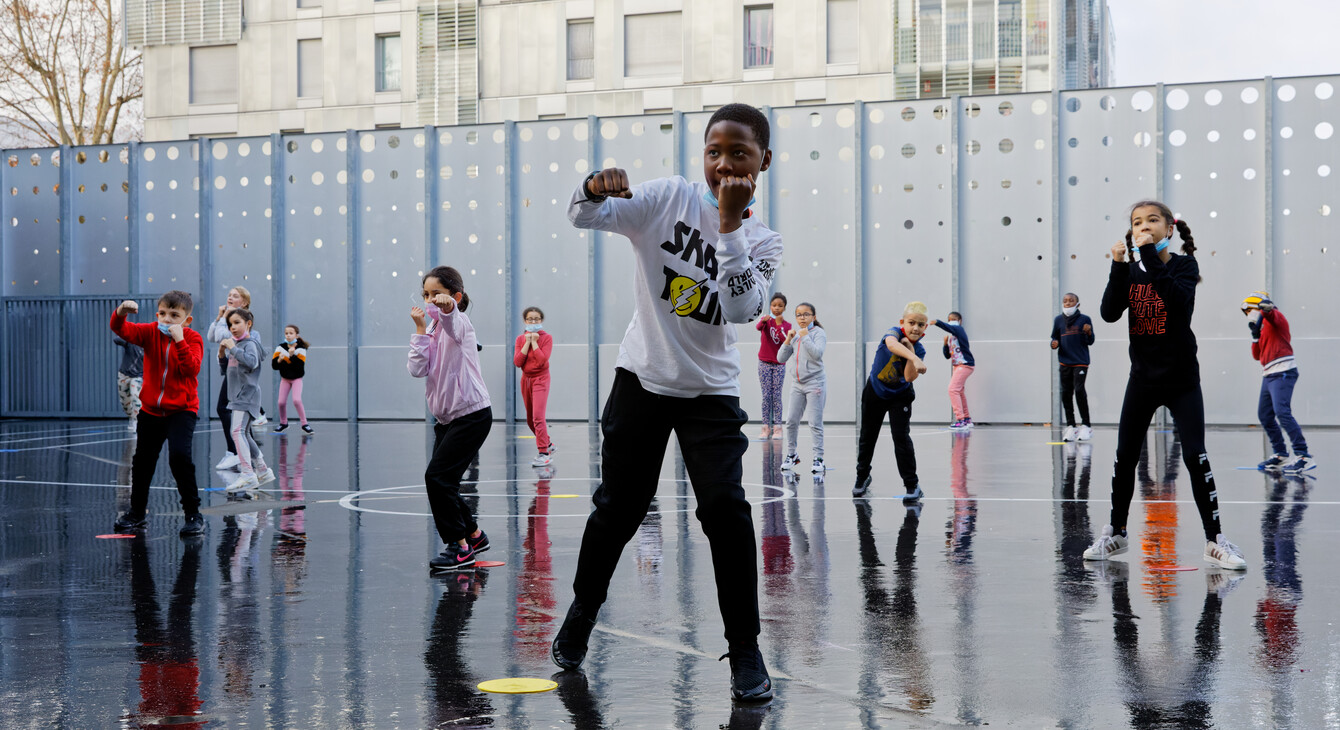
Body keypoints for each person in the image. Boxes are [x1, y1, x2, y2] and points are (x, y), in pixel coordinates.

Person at [553, 102, 781, 702]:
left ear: (764, 161)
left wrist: (729, 229)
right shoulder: (667, 198)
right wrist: (593, 185)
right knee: (619, 509)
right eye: (714, 151)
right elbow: (583, 215)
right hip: (643, 378)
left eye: (739, 152)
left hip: (710, 392)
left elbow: (738, 310)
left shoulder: (763, 241)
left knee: (727, 514)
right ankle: (582, 610)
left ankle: (745, 648)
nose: (723, 163)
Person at [1084, 200, 1247, 570]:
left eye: (1152, 221)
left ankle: (1215, 539)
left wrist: (1145, 255)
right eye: (1137, 222)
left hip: (1181, 380)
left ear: (1169, 229)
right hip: (1142, 378)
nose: (1144, 226)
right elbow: (1109, 313)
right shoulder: (1131, 271)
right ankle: (1117, 532)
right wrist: (1118, 266)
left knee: (1194, 455)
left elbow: (1178, 302)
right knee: (1125, 456)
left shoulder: (1184, 266)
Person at [408, 266, 493, 573]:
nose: (430, 300)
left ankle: (459, 548)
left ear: (455, 296)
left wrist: (449, 308)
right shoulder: (430, 330)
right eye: (426, 295)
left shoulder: (460, 323)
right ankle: (474, 535)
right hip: (447, 418)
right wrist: (419, 330)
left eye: (437, 295)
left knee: (438, 478)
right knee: (446, 481)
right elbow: (417, 369)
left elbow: (452, 320)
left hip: (472, 414)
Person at [109, 292, 207, 537]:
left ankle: (193, 515)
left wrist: (179, 341)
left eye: (175, 316)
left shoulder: (193, 339)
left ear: (187, 320)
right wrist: (121, 312)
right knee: (142, 461)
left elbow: (191, 369)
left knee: (179, 457)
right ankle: (137, 513)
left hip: (181, 410)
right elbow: (120, 329)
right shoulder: (151, 332)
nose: (167, 320)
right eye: (163, 314)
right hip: (151, 409)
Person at [853, 302, 929, 500]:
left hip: (900, 396)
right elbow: (891, 345)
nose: (915, 328)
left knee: (901, 439)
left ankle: (912, 485)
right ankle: (862, 477)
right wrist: (915, 358)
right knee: (868, 437)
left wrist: (912, 352)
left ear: (925, 327)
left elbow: (909, 377)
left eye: (921, 325)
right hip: (875, 392)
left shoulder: (918, 350)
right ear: (902, 322)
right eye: (912, 323)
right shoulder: (893, 333)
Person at [1243, 291, 1314, 473]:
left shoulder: (1276, 318)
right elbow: (1256, 355)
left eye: (1250, 310)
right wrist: (1255, 335)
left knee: (1282, 412)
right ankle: (1281, 454)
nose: (1248, 315)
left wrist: (1265, 307)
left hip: (1283, 371)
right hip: (1269, 374)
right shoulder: (1262, 328)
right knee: (1265, 415)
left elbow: (1270, 312)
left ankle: (1303, 456)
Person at [208, 286, 264, 469]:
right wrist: (219, 318)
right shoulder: (229, 321)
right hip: (233, 375)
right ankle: (258, 464)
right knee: (242, 429)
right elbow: (212, 337)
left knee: (237, 426)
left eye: (235, 296)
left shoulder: (245, 328)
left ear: (245, 302)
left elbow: (221, 336)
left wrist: (224, 321)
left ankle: (239, 456)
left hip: (243, 381)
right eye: (229, 295)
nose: (230, 298)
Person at [220, 308, 273, 492]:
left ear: (248, 323)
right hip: (237, 396)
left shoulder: (249, 344)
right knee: (244, 433)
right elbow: (226, 371)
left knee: (236, 432)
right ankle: (263, 470)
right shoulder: (236, 345)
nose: (232, 327)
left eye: (236, 323)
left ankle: (248, 474)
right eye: (230, 325)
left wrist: (232, 348)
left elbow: (252, 362)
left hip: (246, 395)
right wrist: (222, 355)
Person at [778, 302, 827, 475]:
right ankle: (792, 455)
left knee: (815, 423)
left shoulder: (818, 333)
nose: (802, 318)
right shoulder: (796, 335)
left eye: (806, 314)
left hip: (815, 384)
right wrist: (788, 339)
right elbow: (780, 358)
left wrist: (805, 337)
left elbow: (817, 354)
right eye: (799, 315)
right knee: (791, 421)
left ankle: (818, 458)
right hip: (797, 384)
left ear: (813, 317)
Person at [1051, 292, 1095, 442]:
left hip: (1080, 361)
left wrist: (1088, 332)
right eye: (1065, 301)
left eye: (1071, 301)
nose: (1068, 303)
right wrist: (1053, 343)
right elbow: (1054, 338)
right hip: (1065, 361)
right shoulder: (1058, 320)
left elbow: (1091, 341)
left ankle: (1086, 425)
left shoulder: (1084, 319)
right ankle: (1071, 426)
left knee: (1079, 390)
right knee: (1066, 392)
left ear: (1077, 304)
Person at [514, 306, 554, 466]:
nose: (533, 322)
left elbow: (542, 360)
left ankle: (544, 452)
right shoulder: (520, 339)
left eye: (536, 319)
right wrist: (527, 342)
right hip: (526, 379)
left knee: (538, 417)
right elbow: (518, 362)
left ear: (541, 320)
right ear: (525, 321)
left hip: (541, 379)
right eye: (530, 319)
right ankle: (549, 444)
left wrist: (535, 343)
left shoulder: (547, 338)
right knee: (531, 420)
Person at [755, 293, 792, 439]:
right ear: (770, 306)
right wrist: (764, 321)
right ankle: (765, 428)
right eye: (774, 305)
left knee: (776, 395)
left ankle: (778, 428)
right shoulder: (766, 320)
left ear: (784, 308)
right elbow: (758, 327)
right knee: (766, 395)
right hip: (764, 362)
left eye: (780, 306)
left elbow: (784, 340)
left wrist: (778, 325)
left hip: (778, 364)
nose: (776, 308)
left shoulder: (786, 325)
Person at [932, 311, 975, 431]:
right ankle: (966, 419)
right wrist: (945, 344)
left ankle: (960, 420)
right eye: (949, 319)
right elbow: (947, 356)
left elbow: (950, 327)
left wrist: (937, 322)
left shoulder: (959, 330)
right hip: (957, 366)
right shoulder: (952, 337)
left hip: (965, 365)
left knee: (952, 389)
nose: (951, 321)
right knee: (959, 391)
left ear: (959, 321)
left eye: (953, 319)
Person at [271, 324, 313, 435]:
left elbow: (299, 367)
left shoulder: (301, 349)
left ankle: (305, 424)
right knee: (281, 402)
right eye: (286, 333)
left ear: (296, 335)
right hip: (285, 379)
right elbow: (274, 366)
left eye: (291, 333)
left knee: (297, 400)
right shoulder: (280, 348)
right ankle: (283, 423)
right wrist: (279, 360)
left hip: (296, 379)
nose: (288, 335)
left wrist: (292, 355)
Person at [113, 332, 144, 433]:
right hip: (124, 375)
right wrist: (126, 337)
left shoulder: (150, 348)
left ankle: (137, 420)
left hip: (138, 376)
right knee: (125, 402)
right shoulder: (131, 343)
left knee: (135, 395)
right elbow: (116, 340)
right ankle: (131, 417)